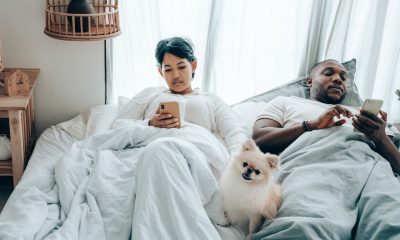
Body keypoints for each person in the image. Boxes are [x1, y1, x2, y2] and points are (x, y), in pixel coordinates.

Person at [113, 36, 247, 239]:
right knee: (158, 150)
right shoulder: (150, 95)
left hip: (193, 155)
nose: (175, 75)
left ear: (193, 65)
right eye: (168, 69)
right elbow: (117, 127)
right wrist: (149, 123)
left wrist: (237, 169)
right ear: (160, 72)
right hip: (148, 151)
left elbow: (235, 133)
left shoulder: (210, 100)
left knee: (162, 150)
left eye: (181, 67)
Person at [252, 59, 400, 173]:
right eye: (329, 73)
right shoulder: (286, 102)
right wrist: (311, 125)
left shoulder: (363, 115)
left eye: (343, 78)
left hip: (371, 175)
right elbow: (259, 140)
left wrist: (380, 137)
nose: (338, 79)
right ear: (310, 81)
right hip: (309, 169)